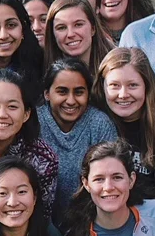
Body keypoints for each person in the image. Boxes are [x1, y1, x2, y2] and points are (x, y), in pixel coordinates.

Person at [0, 69, 62, 211]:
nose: (2, 114)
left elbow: (42, 215)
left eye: (12, 107)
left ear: (26, 114)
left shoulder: (43, 159)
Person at [38, 57, 117, 204]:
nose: (71, 100)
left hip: (90, 215)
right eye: (62, 92)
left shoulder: (100, 124)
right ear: (47, 94)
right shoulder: (34, 123)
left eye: (79, 92)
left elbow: (110, 180)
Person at [41, 0, 114, 71]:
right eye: (61, 28)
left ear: (93, 28)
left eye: (78, 25)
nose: (70, 34)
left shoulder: (117, 67)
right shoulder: (40, 72)